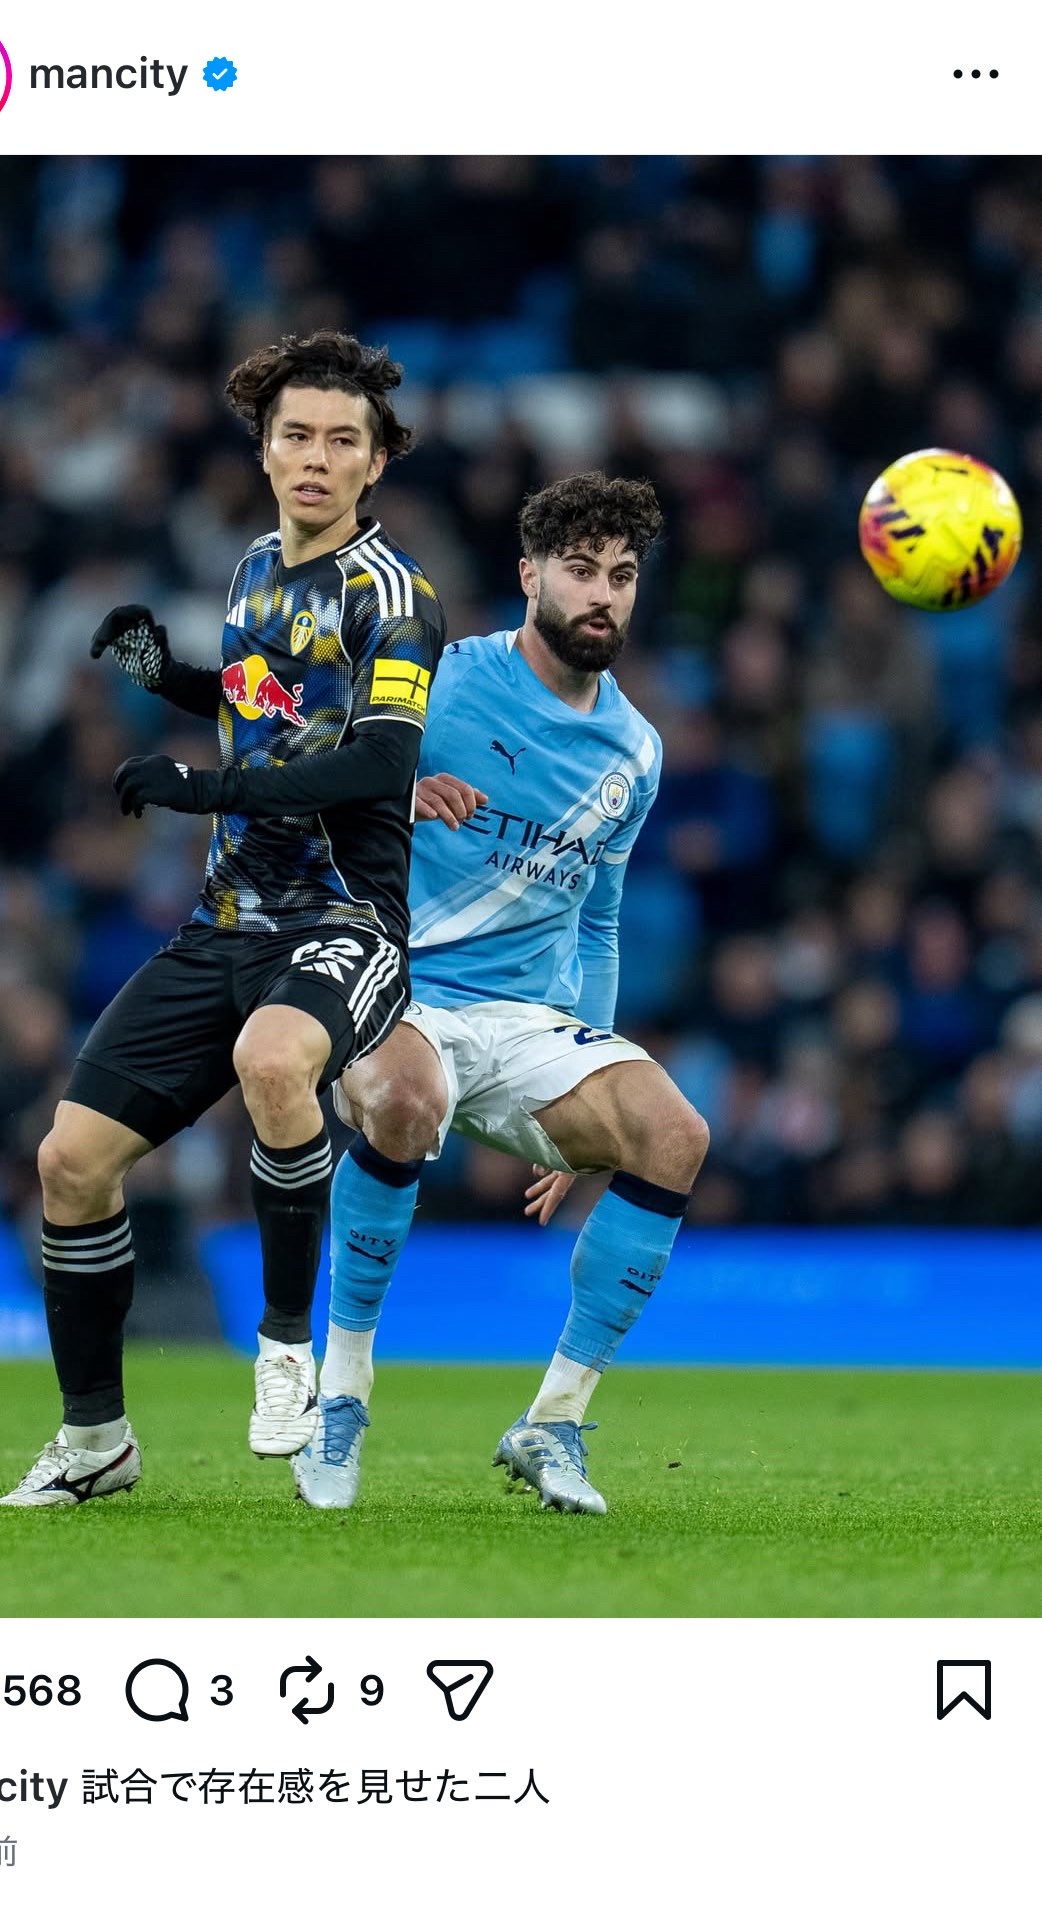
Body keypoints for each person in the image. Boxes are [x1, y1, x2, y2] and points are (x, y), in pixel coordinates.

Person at [0, 330, 445, 1507]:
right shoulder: (254, 569)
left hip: (344, 923)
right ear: (264, 449)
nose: (317, 457)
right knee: (69, 1162)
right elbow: (266, 704)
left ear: (375, 463)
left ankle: (287, 1350)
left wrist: (206, 787)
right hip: (227, 922)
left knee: (274, 1060)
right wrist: (168, 677)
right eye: (297, 435)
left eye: (342, 440)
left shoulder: (396, 598)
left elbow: (378, 761)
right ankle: (95, 1443)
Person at [292, 471, 709, 1515]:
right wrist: (396, 791)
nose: (602, 595)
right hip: (395, 986)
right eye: (581, 570)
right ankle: (339, 1394)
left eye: (622, 575)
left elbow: (599, 921)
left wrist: (589, 1084)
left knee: (673, 1132)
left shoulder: (636, 751)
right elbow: (301, 782)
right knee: (401, 1099)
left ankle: (554, 1421)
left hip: (527, 1022)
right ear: (529, 575)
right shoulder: (439, 676)